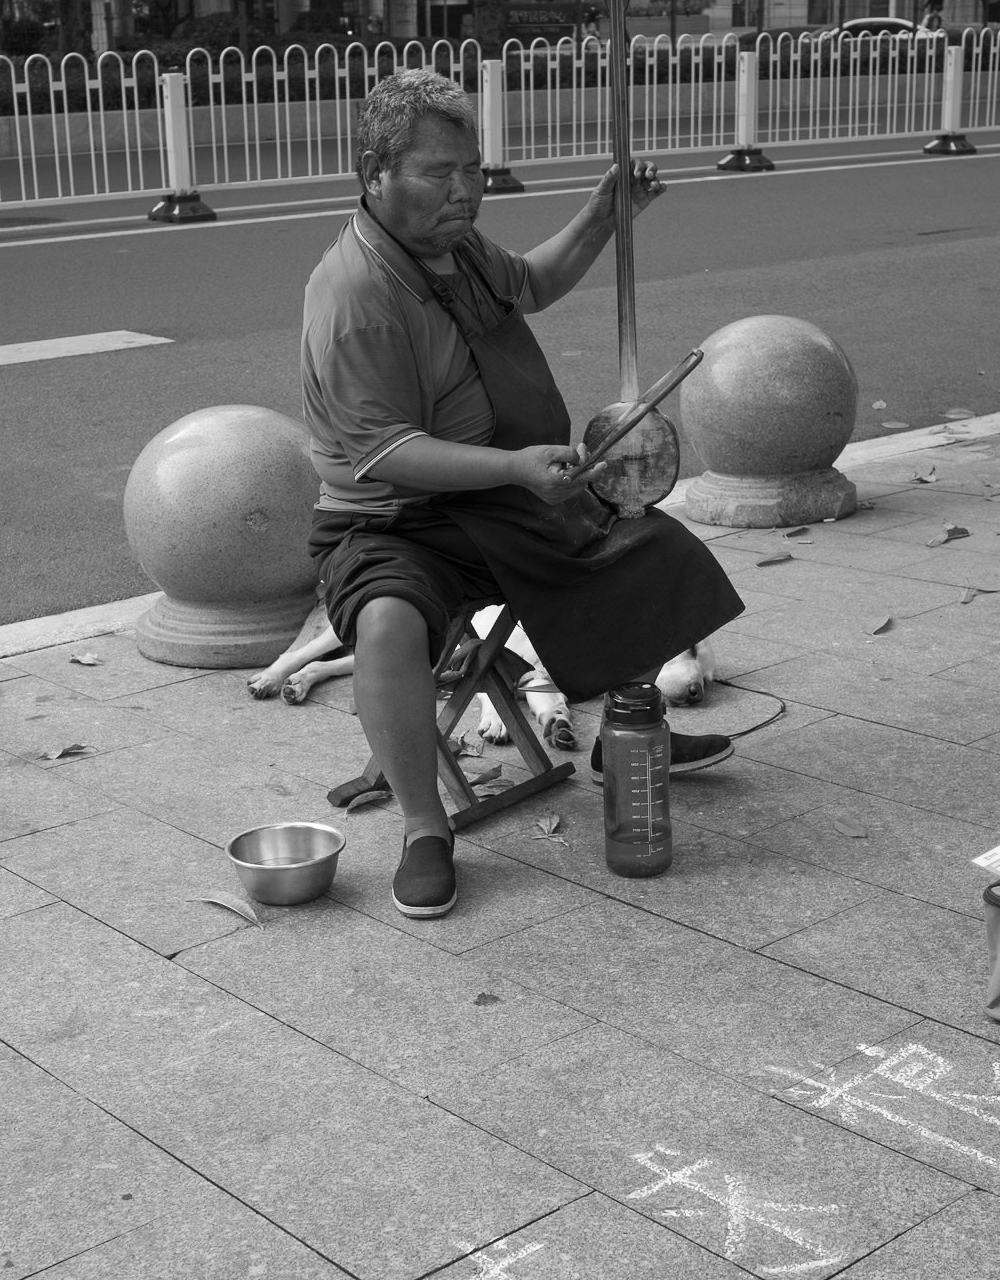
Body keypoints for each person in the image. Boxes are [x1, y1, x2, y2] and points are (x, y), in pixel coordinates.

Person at [300, 68, 744, 921]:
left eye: (471, 168)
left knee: (650, 549)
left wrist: (604, 215)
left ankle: (626, 728)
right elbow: (386, 452)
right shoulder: (354, 295)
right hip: (392, 519)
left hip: (500, 500)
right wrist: (510, 468)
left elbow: (530, 283)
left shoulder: (455, 244)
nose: (465, 190)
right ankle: (426, 829)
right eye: (439, 173)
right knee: (388, 623)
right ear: (375, 173)